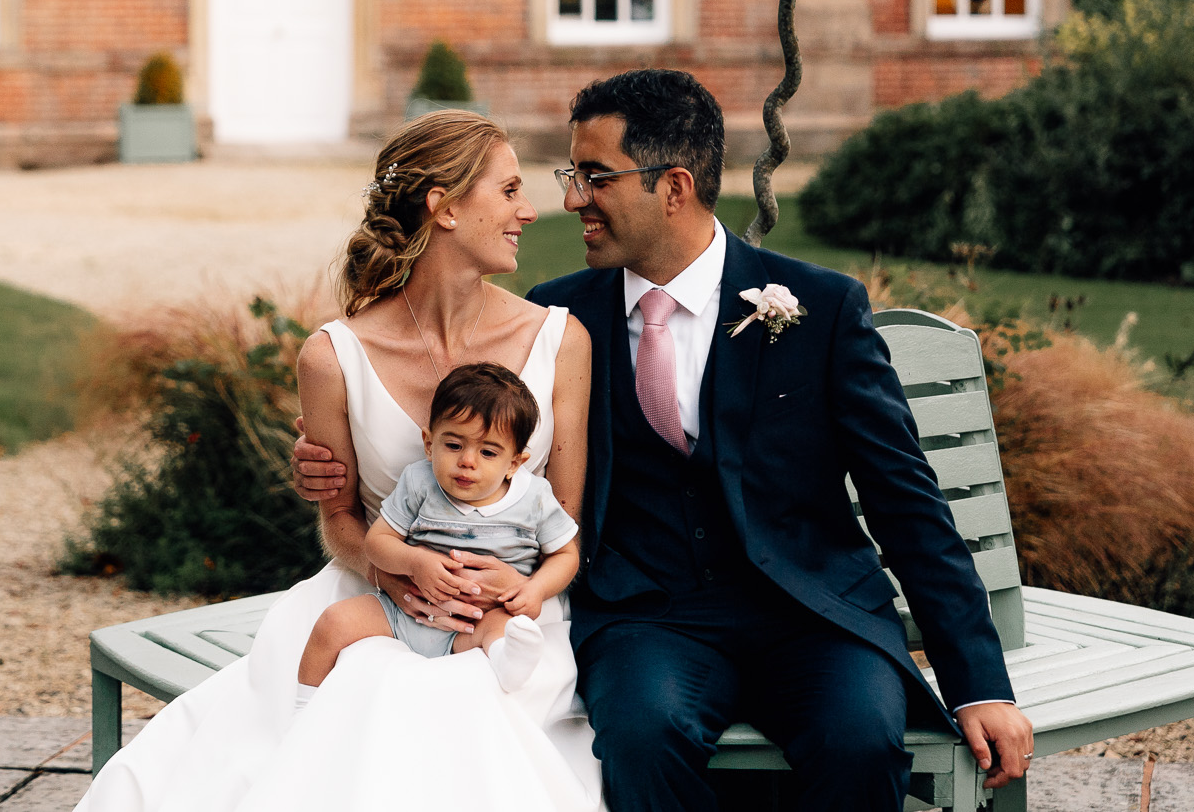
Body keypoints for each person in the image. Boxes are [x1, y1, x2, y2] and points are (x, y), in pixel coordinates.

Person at [295, 69, 1036, 812]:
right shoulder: (558, 320)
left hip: (813, 615)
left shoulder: (821, 307)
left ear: (674, 186)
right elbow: (474, 437)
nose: (572, 199)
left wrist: (979, 684)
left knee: (860, 741)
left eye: (595, 177)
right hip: (647, 619)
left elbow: (907, 502)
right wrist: (333, 458)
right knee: (642, 737)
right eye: (572, 176)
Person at [79, 110, 601, 812]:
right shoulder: (333, 357)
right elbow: (340, 522)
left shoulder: (560, 341)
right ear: (443, 207)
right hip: (373, 600)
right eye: (509, 191)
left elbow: (564, 516)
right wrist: (399, 572)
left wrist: (521, 587)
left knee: (455, 718)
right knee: (363, 695)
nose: (530, 210)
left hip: (509, 613)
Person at [296, 361, 581, 696]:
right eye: (454, 445)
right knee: (333, 622)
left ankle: (508, 663)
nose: (467, 461)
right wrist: (415, 562)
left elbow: (565, 554)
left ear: (514, 463)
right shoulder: (420, 482)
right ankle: (304, 705)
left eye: (488, 452)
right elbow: (378, 541)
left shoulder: (533, 498)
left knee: (505, 633)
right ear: (429, 444)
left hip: (480, 617)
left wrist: (536, 589)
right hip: (404, 609)